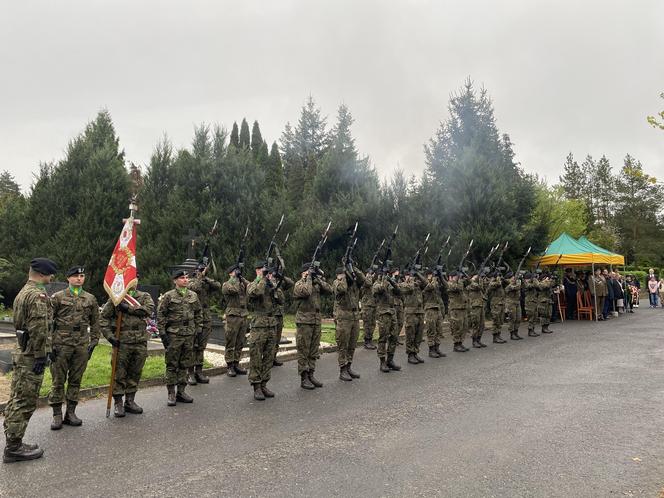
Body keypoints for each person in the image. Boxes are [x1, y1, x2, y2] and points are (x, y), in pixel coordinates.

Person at [3, 258, 57, 463]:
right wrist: (42, 356)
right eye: (50, 274)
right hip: (31, 355)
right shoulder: (37, 295)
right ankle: (13, 448)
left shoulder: (23, 291)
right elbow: (39, 328)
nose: (52, 278)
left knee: (16, 397)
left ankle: (14, 440)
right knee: (24, 401)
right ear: (43, 274)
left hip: (22, 351)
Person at [49, 266, 100, 429]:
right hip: (61, 344)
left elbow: (95, 321)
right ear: (68, 278)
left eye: (82, 275)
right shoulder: (57, 297)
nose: (79, 278)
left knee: (76, 379)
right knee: (58, 380)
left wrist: (94, 341)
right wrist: (50, 344)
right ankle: (57, 415)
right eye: (76, 276)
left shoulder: (90, 298)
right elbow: (49, 321)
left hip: (81, 344)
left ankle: (70, 413)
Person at [99, 275, 154, 417]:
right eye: (130, 278)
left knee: (135, 371)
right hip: (122, 341)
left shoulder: (145, 296)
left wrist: (127, 308)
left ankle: (130, 401)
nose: (133, 281)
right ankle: (118, 402)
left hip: (140, 341)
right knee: (119, 372)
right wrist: (110, 337)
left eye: (135, 278)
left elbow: (147, 311)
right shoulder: (116, 298)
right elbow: (103, 319)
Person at [157, 269, 202, 406]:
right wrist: (163, 334)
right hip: (174, 334)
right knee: (172, 364)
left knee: (185, 363)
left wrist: (198, 329)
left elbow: (198, 312)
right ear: (175, 281)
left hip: (189, 334)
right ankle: (171, 393)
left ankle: (181, 391)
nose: (185, 280)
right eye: (182, 278)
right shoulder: (168, 296)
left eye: (186, 277)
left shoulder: (193, 295)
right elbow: (161, 315)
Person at [293, 262, 333, 389]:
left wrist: (318, 279)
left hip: (316, 320)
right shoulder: (299, 284)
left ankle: (311, 374)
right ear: (303, 273)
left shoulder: (315, 283)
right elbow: (306, 292)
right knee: (304, 350)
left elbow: (330, 290)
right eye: (307, 272)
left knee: (313, 350)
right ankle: (304, 378)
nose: (309, 274)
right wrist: (308, 278)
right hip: (304, 321)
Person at [246, 260, 277, 400]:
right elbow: (256, 292)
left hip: (271, 324)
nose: (263, 272)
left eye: (264, 270)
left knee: (269, 356)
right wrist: (263, 279)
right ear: (257, 271)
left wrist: (273, 284)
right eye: (260, 270)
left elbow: (281, 299)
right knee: (256, 357)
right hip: (259, 325)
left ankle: (264, 383)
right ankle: (256, 386)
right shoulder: (252, 285)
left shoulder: (270, 284)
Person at [187, 263, 222, 385]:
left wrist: (206, 278)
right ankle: (190, 373)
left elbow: (218, 286)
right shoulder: (190, 281)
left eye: (203, 270)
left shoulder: (205, 281)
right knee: (193, 345)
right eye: (200, 270)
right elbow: (194, 288)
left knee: (201, 345)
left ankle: (199, 371)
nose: (202, 272)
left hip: (205, 316)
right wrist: (199, 277)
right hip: (194, 316)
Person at [332, 264, 365, 381]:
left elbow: (363, 279)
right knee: (343, 345)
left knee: (352, 344)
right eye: (342, 274)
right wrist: (344, 276)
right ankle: (343, 369)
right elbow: (342, 289)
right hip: (344, 317)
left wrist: (353, 267)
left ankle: (349, 366)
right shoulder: (337, 283)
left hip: (355, 316)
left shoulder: (354, 283)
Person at [372, 265, 402, 371]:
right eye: (383, 274)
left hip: (392, 311)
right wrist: (384, 280)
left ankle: (390, 360)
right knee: (383, 337)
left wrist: (391, 280)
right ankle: (382, 362)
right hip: (383, 312)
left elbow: (399, 291)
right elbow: (380, 289)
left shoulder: (389, 283)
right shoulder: (376, 284)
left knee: (394, 336)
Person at [221, 264, 249, 377]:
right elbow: (235, 289)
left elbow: (251, 287)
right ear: (230, 273)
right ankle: (229, 366)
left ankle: (236, 363)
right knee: (231, 341)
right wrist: (236, 279)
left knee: (240, 342)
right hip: (232, 316)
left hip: (243, 315)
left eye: (237, 271)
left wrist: (242, 278)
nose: (236, 273)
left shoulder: (241, 283)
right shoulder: (226, 285)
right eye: (234, 272)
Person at [398, 267, 427, 364]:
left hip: (420, 312)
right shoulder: (403, 284)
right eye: (408, 275)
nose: (410, 277)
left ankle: (415, 352)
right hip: (410, 313)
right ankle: (410, 354)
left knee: (419, 334)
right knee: (410, 334)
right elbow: (409, 288)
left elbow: (426, 283)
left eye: (411, 275)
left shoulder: (417, 284)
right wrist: (410, 280)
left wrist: (418, 273)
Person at [422, 268, 447, 356]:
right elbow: (430, 287)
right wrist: (433, 280)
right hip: (429, 309)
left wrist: (440, 275)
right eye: (430, 275)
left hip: (437, 308)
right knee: (431, 330)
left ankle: (437, 348)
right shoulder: (424, 283)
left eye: (432, 275)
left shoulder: (435, 283)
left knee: (439, 330)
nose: (432, 277)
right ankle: (431, 350)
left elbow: (444, 286)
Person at [271, 270, 294, 367]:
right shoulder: (269, 283)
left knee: (277, 338)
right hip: (272, 314)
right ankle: (268, 358)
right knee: (271, 338)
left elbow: (291, 283)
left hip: (279, 314)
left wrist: (282, 277)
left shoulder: (279, 283)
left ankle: (273, 357)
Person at [447, 271, 470, 352]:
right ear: (451, 277)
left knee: (464, 327)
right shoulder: (450, 284)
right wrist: (459, 280)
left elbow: (468, 283)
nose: (457, 278)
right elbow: (458, 288)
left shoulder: (458, 284)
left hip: (462, 308)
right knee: (457, 327)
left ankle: (460, 343)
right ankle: (456, 345)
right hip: (455, 309)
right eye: (456, 277)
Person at [467, 274, 487, 348]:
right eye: (475, 276)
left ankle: (479, 340)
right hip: (475, 307)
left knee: (482, 324)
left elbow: (483, 288)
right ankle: (474, 341)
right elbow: (479, 287)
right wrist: (474, 280)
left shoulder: (477, 283)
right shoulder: (471, 285)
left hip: (480, 305)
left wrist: (481, 279)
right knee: (476, 324)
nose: (477, 277)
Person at [486, 272, 507, 344]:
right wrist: (497, 280)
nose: (499, 277)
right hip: (495, 304)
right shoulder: (492, 283)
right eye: (497, 276)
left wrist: (501, 279)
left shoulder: (499, 282)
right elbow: (493, 286)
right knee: (496, 320)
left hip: (501, 303)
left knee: (500, 320)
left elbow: (504, 283)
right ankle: (495, 337)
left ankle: (498, 335)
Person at [360, 267, 377, 349]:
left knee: (373, 324)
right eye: (371, 273)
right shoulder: (366, 281)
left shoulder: (372, 281)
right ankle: (366, 341)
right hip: (367, 306)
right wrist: (369, 275)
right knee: (367, 324)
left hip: (373, 305)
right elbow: (368, 283)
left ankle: (370, 340)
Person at [504, 273, 523, 340]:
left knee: (518, 318)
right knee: (512, 319)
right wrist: (517, 282)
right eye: (511, 277)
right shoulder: (509, 286)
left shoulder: (515, 283)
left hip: (517, 302)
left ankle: (516, 332)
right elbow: (516, 287)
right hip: (510, 303)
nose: (513, 278)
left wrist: (519, 280)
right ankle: (512, 334)